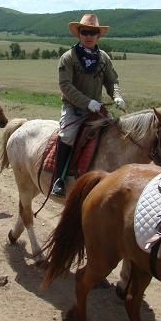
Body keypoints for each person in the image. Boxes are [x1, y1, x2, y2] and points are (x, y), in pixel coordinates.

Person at [51, 14, 126, 197]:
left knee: (116, 133)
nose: (89, 36)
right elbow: (65, 86)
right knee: (67, 136)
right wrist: (87, 102)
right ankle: (58, 180)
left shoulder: (104, 58)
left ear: (98, 35)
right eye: (85, 32)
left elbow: (112, 81)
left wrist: (117, 96)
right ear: (79, 34)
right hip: (74, 109)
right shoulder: (68, 58)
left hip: (97, 109)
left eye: (93, 32)